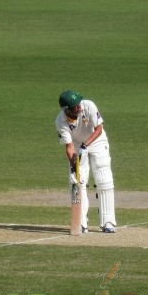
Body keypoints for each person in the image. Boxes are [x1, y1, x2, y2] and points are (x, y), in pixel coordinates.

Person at [55, 90, 117, 233]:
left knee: (104, 177)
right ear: (66, 109)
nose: (79, 107)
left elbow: (99, 129)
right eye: (75, 106)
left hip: (97, 141)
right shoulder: (60, 121)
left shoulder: (88, 105)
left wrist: (86, 145)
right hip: (77, 145)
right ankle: (81, 223)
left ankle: (108, 221)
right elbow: (69, 147)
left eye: (78, 104)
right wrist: (73, 166)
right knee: (78, 180)